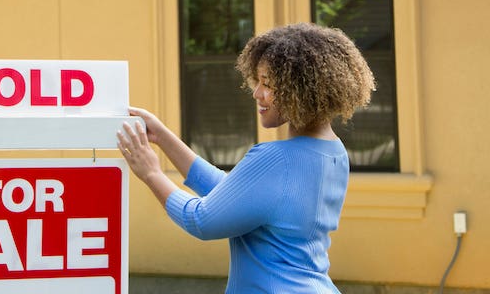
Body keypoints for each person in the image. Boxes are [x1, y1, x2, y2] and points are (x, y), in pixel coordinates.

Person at [117, 22, 375, 293]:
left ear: (301, 91)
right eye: (258, 81)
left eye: (269, 84)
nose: (257, 93)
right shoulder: (335, 153)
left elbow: (201, 220)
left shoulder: (276, 159)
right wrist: (163, 137)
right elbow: (236, 193)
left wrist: (152, 174)